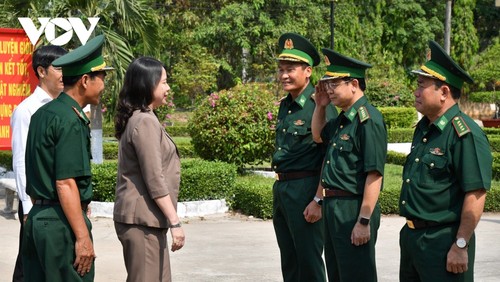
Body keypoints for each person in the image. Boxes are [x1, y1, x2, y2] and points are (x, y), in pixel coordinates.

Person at [399, 40, 492, 281]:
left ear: (444, 92)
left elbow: (476, 193)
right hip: (411, 240)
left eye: (422, 85)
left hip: (443, 242)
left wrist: (461, 245)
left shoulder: (463, 133)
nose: (416, 92)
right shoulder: (424, 128)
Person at [23, 34, 113, 282]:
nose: (104, 85)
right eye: (102, 78)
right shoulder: (70, 120)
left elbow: (35, 171)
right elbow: (65, 183)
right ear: (85, 80)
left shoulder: (43, 114)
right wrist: (82, 237)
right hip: (61, 226)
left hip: (38, 221)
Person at [311, 48, 387, 282]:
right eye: (327, 83)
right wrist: (321, 106)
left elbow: (374, 174)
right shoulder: (343, 119)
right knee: (338, 274)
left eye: (334, 83)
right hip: (334, 206)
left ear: (353, 84)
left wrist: (363, 220)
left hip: (353, 207)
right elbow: (317, 136)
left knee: (356, 275)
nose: (329, 89)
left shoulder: (368, 119)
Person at [272, 32, 337, 282]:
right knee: (289, 260)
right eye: (281, 69)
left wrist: (318, 199)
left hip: (306, 189)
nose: (284, 75)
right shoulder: (285, 104)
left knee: (309, 262)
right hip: (283, 188)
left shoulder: (318, 105)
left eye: (290, 69)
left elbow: (328, 155)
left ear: (308, 71)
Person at [113, 56, 185, 282]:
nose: (168, 87)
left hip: (148, 221)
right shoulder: (144, 121)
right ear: (147, 84)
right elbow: (155, 179)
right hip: (141, 221)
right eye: (163, 82)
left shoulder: (145, 118)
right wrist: (175, 222)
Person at [10, 45, 67, 282]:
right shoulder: (26, 110)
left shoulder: (65, 107)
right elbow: (21, 160)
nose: (64, 73)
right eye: (59, 67)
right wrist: (27, 207)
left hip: (61, 203)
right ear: (41, 71)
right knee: (30, 267)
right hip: (36, 205)